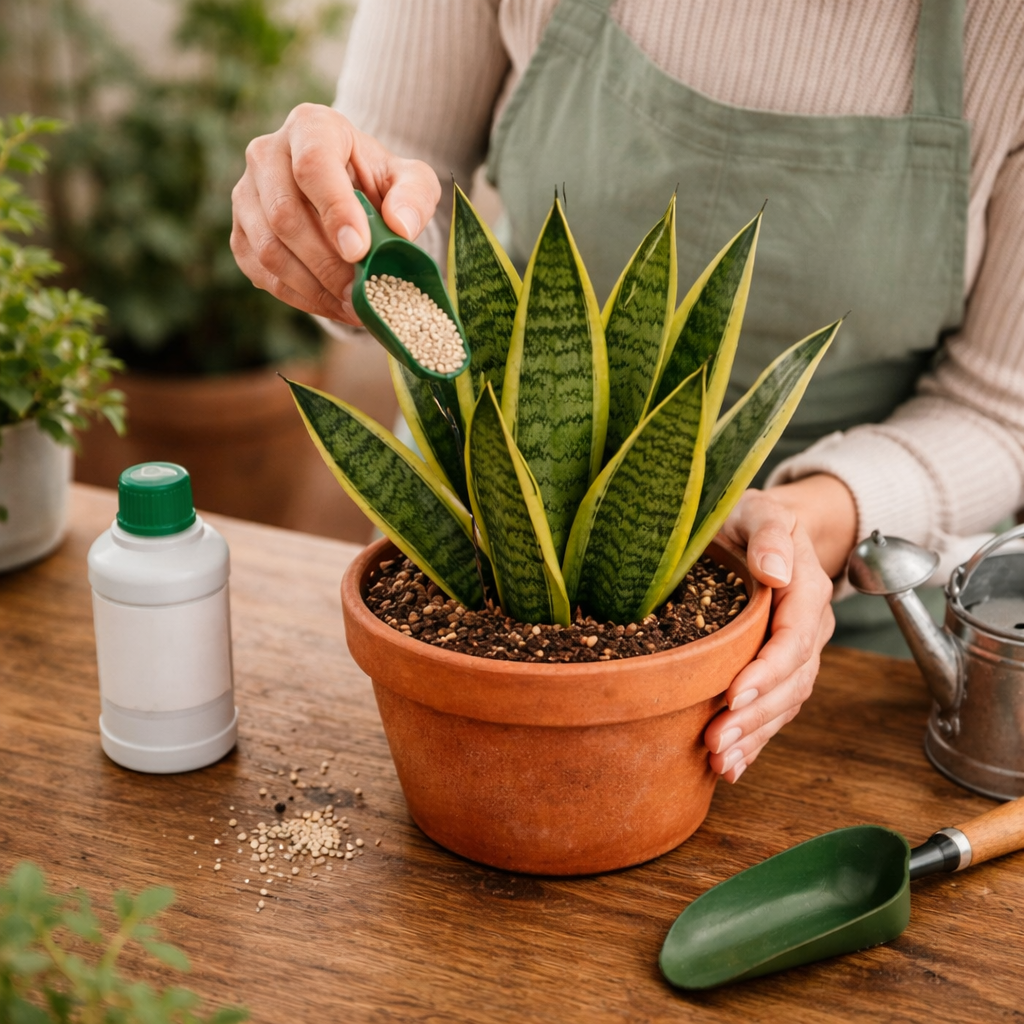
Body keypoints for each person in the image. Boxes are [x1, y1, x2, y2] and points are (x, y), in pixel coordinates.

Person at [230, 0, 1024, 786]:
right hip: (479, 517)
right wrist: (335, 227)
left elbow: (1000, 411)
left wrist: (809, 522)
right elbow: (403, 184)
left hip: (840, 596)